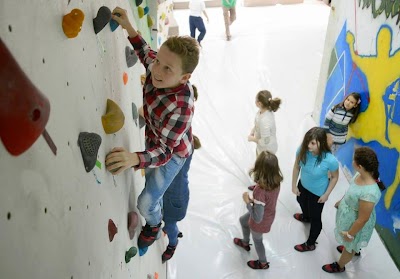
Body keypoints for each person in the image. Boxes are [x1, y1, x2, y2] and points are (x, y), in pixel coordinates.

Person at [105, 7, 200, 250]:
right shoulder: (158, 68)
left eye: (167, 69)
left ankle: (154, 225)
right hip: (156, 139)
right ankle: (156, 212)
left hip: (173, 153)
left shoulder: (182, 106)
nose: (156, 70)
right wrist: (128, 25)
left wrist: (134, 159)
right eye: (159, 62)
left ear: (184, 77)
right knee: (151, 183)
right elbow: (145, 52)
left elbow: (166, 152)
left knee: (146, 201)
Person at [322, 147, 385, 273]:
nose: (352, 162)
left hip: (356, 224)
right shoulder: (359, 174)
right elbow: (351, 190)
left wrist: (350, 234)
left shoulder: (369, 193)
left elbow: (362, 219)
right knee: (349, 244)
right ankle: (352, 247)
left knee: (349, 247)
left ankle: (340, 265)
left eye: (353, 160)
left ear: (360, 166)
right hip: (350, 215)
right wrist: (342, 201)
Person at [161, 86, 201, 263]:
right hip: (174, 194)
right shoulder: (185, 142)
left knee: (170, 225)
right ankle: (172, 227)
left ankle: (173, 242)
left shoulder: (181, 152)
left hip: (175, 198)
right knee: (168, 220)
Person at [292, 127, 339, 252]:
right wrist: (293, 185)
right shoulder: (302, 151)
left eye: (312, 143)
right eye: (307, 141)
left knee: (315, 218)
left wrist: (327, 194)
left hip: (317, 194)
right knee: (300, 201)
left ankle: (311, 243)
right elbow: (297, 167)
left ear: (321, 143)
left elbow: (334, 177)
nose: (308, 145)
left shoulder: (330, 160)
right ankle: (305, 217)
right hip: (303, 186)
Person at [233, 151, 283, 270]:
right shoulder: (275, 182)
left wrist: (247, 202)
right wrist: (254, 202)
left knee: (258, 240)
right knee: (243, 220)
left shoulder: (260, 190)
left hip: (260, 221)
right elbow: (265, 202)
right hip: (268, 214)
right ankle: (245, 243)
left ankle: (263, 262)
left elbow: (257, 218)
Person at [247, 90, 281, 191]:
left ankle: (262, 187)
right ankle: (259, 183)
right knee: (259, 166)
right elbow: (257, 122)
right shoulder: (262, 111)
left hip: (267, 149)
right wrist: (253, 130)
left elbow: (265, 141)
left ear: (259, 103)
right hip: (261, 147)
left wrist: (252, 139)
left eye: (256, 99)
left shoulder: (266, 120)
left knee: (264, 169)